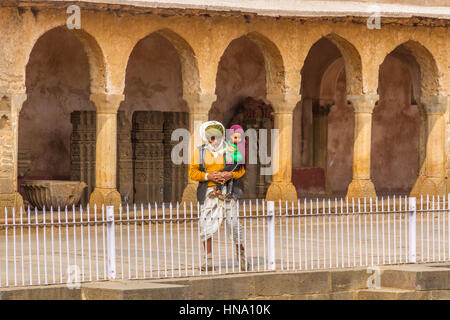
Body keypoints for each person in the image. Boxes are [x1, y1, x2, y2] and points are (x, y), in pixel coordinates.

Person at [188, 120, 249, 271]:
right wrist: (209, 176)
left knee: (233, 224)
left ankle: (241, 256)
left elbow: (241, 170)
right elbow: (192, 173)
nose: (214, 141)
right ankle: (208, 260)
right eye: (211, 138)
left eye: (217, 137)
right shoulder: (200, 151)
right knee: (206, 225)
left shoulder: (230, 150)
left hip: (228, 190)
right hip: (209, 191)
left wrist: (230, 174)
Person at [211, 124, 245, 200]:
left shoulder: (240, 146)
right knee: (224, 175)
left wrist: (233, 156)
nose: (237, 139)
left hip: (235, 165)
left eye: (239, 138)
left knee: (226, 176)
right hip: (228, 164)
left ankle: (227, 194)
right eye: (235, 137)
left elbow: (240, 158)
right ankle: (220, 190)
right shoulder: (228, 144)